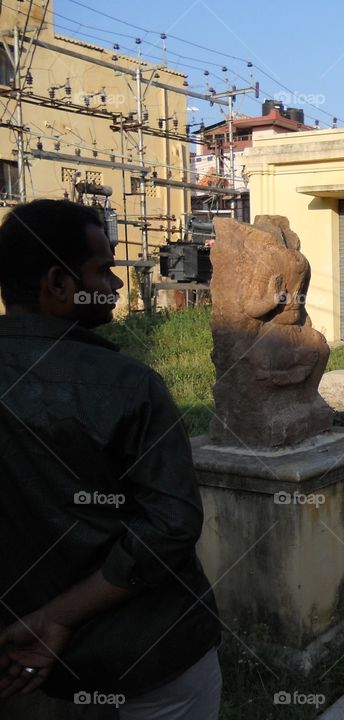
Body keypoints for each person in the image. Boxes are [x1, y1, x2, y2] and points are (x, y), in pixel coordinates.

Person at [0, 200, 221, 718]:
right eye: (103, 271)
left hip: (21, 663)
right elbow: (171, 524)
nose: (117, 287)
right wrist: (58, 616)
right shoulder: (128, 385)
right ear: (58, 282)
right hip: (149, 656)